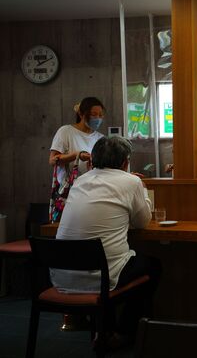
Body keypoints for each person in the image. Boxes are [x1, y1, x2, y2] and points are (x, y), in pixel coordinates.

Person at [52, 136, 161, 345]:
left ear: (93, 160)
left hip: (62, 276)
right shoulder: (131, 181)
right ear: (125, 163)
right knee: (153, 266)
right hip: (101, 278)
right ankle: (124, 332)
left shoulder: (80, 181)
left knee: (109, 260)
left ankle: (104, 331)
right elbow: (142, 222)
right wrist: (142, 188)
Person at [49, 97, 106, 183]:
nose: (98, 118)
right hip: (70, 187)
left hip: (93, 186)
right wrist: (76, 155)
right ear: (81, 114)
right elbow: (52, 161)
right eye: (93, 115)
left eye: (100, 115)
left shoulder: (101, 138)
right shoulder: (66, 131)